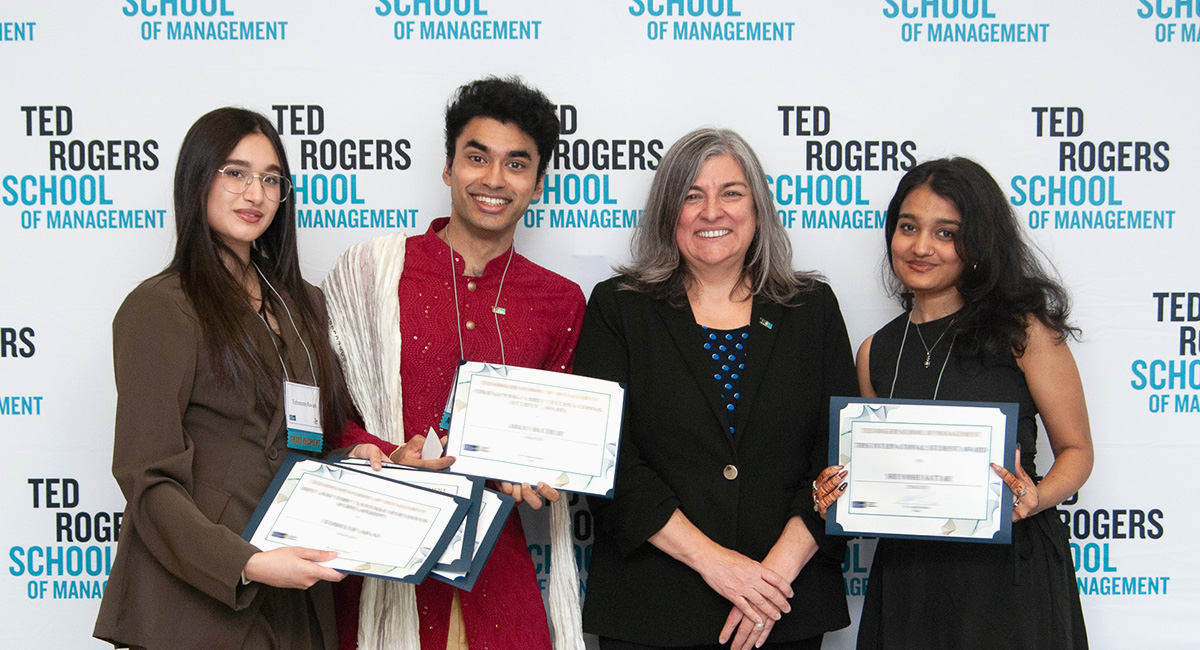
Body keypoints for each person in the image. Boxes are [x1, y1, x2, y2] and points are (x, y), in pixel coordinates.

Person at [93, 107, 388, 650]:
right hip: (193, 601)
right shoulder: (161, 307)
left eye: (271, 178)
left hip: (294, 596)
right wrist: (247, 563)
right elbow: (147, 478)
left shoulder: (304, 305)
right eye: (235, 172)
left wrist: (349, 461)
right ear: (197, 179)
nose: (255, 193)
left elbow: (294, 442)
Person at [322, 77, 586, 650]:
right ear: (447, 168)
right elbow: (322, 416)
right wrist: (389, 454)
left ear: (539, 185)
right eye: (476, 157)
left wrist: (546, 474)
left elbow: (558, 443)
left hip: (495, 574)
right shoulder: (370, 274)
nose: (493, 180)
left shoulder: (560, 301)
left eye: (516, 164)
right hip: (379, 569)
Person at [573, 127, 856, 650]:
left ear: (758, 206)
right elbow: (606, 459)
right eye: (691, 195)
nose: (712, 211)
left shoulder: (811, 308)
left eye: (731, 192)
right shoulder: (619, 307)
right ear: (668, 211)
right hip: (653, 609)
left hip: (781, 607)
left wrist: (769, 580)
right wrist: (720, 566)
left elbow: (837, 457)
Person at [814, 157, 1092, 649]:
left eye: (947, 233)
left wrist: (1036, 496)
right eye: (908, 227)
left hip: (1008, 571)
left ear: (979, 243)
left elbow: (1076, 450)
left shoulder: (1025, 332)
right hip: (910, 574)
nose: (921, 247)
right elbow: (879, 472)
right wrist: (839, 490)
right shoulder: (875, 351)